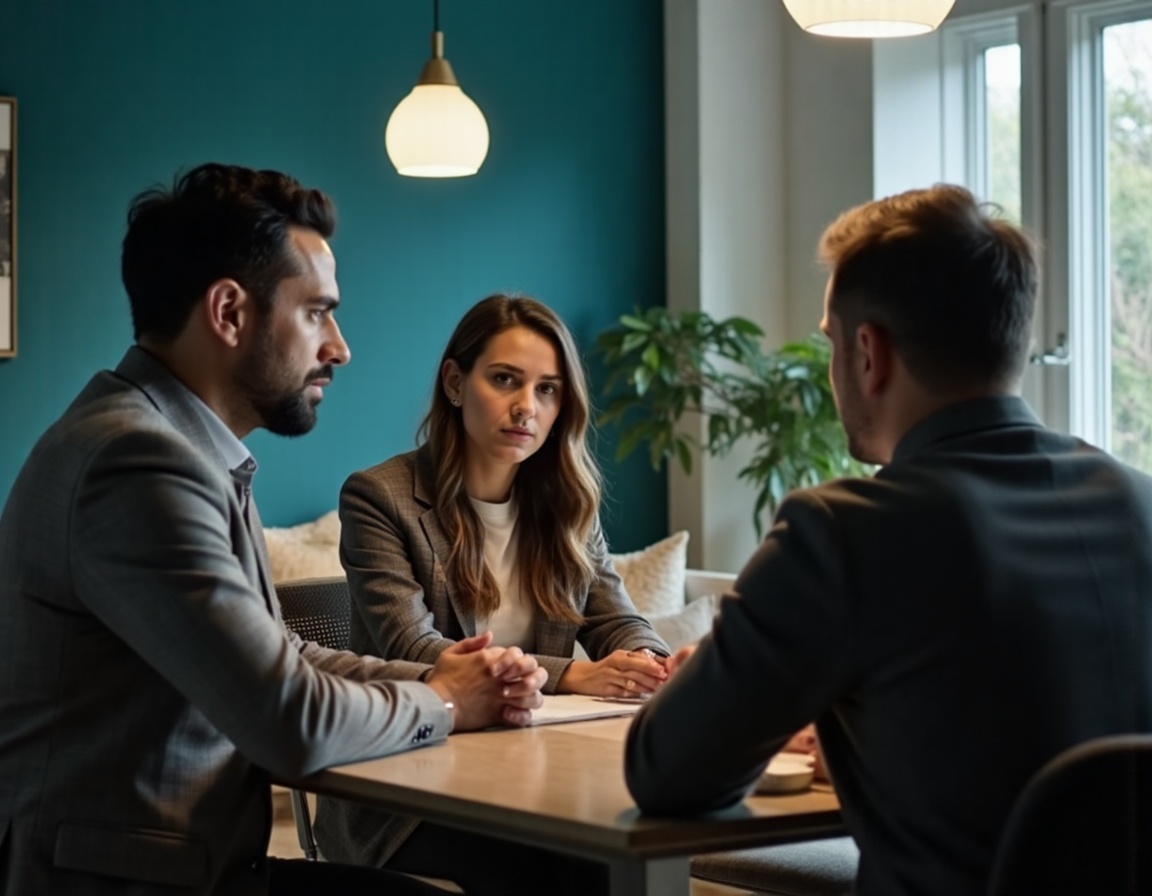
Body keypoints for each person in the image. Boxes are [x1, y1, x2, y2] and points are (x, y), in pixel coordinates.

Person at [0, 163, 547, 896]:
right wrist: (449, 704)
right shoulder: (139, 463)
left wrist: (441, 677)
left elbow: (281, 657)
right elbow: (290, 720)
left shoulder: (179, 446)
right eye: (317, 313)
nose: (340, 347)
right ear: (228, 312)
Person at [624, 185, 1152, 896]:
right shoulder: (1141, 503)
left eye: (830, 341)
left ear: (868, 353)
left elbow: (666, 773)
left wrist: (737, 681)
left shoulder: (843, 532)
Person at [314, 294, 671, 894]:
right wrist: (572, 675)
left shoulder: (568, 505)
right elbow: (419, 650)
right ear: (455, 383)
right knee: (573, 864)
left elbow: (618, 619)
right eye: (505, 379)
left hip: (540, 770)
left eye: (547, 389)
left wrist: (650, 662)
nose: (526, 406)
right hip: (407, 794)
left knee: (618, 846)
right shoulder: (379, 497)